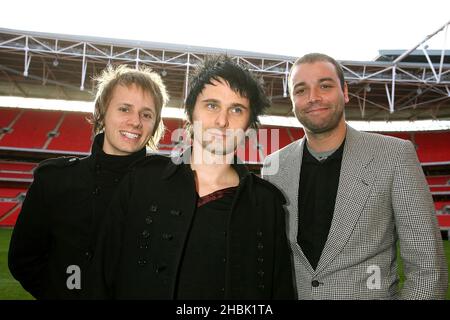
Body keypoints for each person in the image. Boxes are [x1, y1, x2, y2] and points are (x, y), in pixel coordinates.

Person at [92, 55, 295, 299]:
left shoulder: (266, 203)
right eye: (211, 105)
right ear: (190, 114)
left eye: (236, 109)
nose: (222, 120)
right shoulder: (142, 181)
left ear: (249, 125)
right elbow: (100, 279)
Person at [262, 53, 448, 299]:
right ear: (293, 100)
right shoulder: (273, 166)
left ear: (345, 92)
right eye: (301, 90)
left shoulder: (394, 155)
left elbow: (428, 269)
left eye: (325, 86)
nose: (313, 97)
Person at [8, 64, 169, 299]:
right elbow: (24, 260)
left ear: (155, 124)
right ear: (102, 113)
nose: (135, 121)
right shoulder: (55, 179)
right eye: (124, 109)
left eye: (146, 114)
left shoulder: (169, 184)